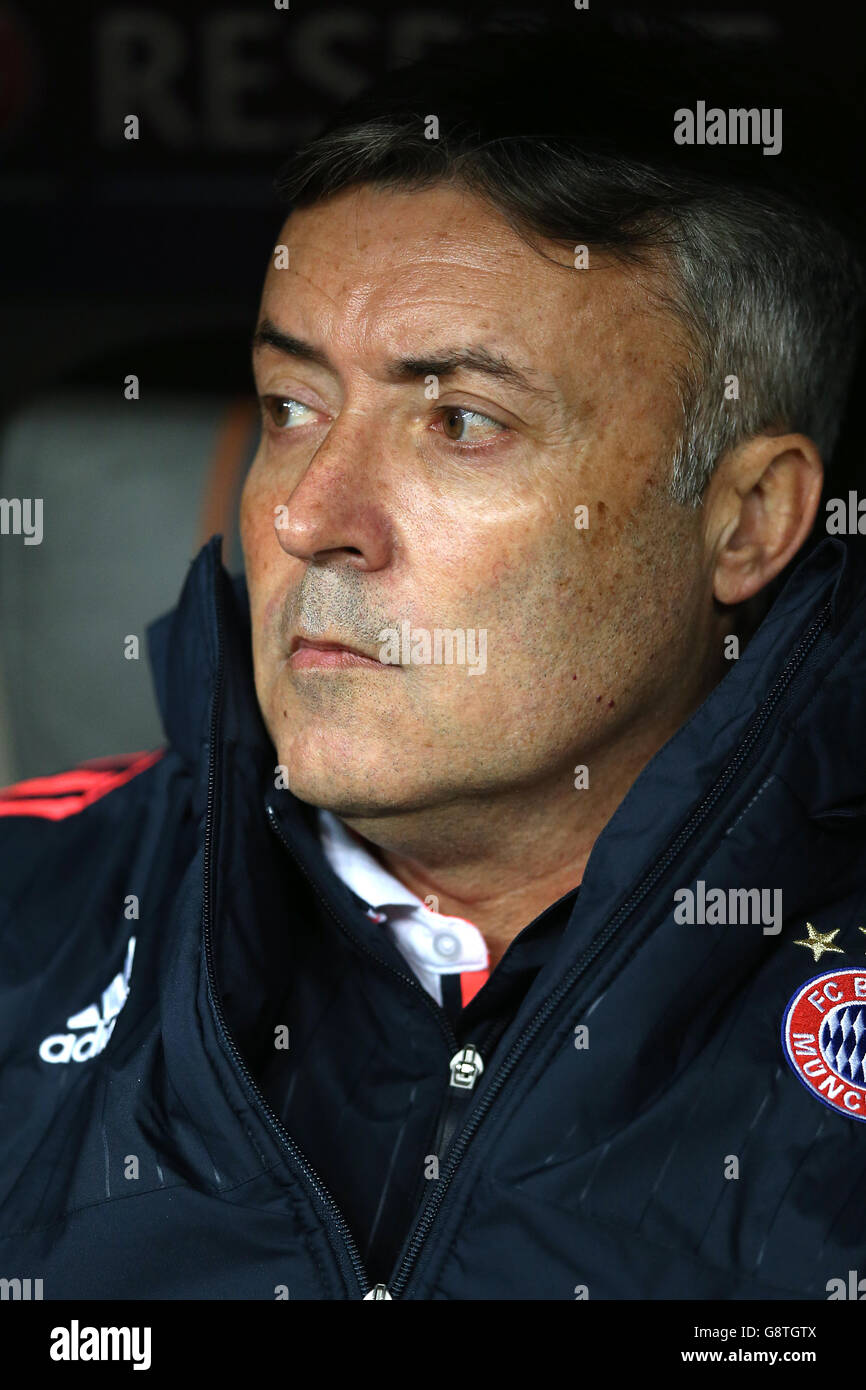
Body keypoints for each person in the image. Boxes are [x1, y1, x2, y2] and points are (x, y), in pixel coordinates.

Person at [1, 16, 865, 1300]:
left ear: (742, 521)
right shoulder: (29, 903)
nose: (304, 515)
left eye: (460, 422)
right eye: (292, 408)